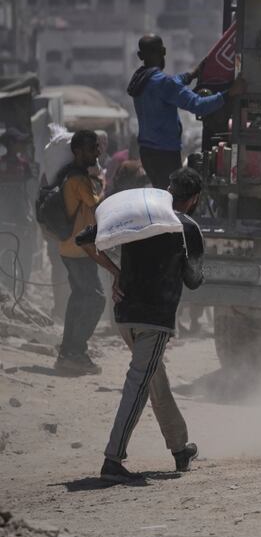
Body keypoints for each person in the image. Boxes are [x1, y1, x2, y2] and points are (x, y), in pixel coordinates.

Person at [76, 167, 207, 483]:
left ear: (168, 190)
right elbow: (193, 280)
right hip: (155, 319)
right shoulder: (187, 227)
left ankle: (180, 448)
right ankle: (113, 459)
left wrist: (116, 272)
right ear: (194, 199)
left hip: (125, 315)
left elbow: (84, 240)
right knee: (138, 384)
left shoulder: (138, 215)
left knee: (154, 378)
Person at [127, 34, 243, 190]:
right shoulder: (164, 83)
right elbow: (198, 105)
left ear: (140, 56)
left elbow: (168, 84)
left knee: (161, 193)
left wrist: (190, 75)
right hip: (165, 154)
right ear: (164, 52)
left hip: (147, 153)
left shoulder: (141, 79)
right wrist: (229, 94)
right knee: (173, 197)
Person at [53, 130, 106, 376]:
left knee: (79, 298)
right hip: (80, 249)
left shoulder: (69, 174)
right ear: (77, 151)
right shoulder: (79, 179)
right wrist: (103, 184)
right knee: (96, 299)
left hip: (69, 247)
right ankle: (76, 352)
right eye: (92, 148)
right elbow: (98, 207)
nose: (97, 152)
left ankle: (68, 352)